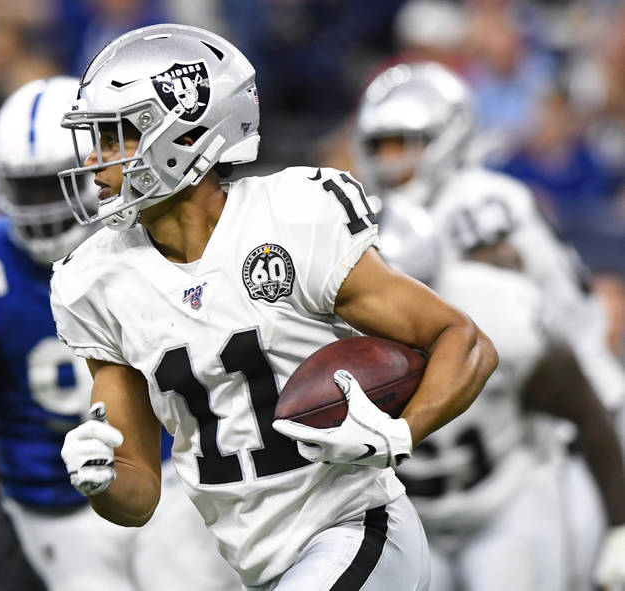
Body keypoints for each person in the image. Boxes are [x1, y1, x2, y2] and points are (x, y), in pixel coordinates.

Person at [51, 24, 498, 591]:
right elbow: (138, 496)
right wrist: (99, 478)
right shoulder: (95, 280)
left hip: (357, 528)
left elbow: (465, 340)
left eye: (115, 136)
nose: (95, 158)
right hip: (257, 565)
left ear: (184, 134)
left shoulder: (291, 219)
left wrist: (399, 434)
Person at [0, 75, 238, 591]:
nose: (46, 204)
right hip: (53, 509)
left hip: (177, 480)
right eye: (29, 187)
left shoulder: (157, 236)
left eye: (55, 183)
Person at [352, 60, 625, 587]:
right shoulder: (365, 207)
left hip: (532, 413)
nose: (389, 159)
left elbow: (558, 309)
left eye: (402, 142)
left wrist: (596, 388)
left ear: (446, 136)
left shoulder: (488, 204)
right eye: (380, 144)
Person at [379, 202, 625, 591]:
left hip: (501, 506)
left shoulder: (500, 314)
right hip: (409, 518)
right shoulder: (324, 337)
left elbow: (586, 412)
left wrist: (619, 529)